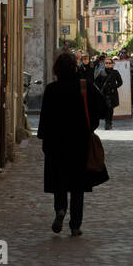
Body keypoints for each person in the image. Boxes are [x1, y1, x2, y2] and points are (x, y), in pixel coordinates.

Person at [38, 51, 109, 236]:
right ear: (74, 67)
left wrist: (44, 140)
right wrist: (90, 124)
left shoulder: (52, 89)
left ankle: (60, 209)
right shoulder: (85, 87)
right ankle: (75, 225)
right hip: (80, 142)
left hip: (56, 142)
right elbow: (103, 109)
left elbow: (44, 118)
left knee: (59, 180)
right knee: (77, 186)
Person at [100, 58, 122, 129]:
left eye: (109, 63)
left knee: (110, 108)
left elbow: (120, 82)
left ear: (112, 64)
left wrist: (114, 87)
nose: (108, 64)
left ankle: (109, 122)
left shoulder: (115, 72)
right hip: (104, 93)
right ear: (104, 64)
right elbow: (97, 82)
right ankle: (107, 122)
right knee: (106, 108)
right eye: (106, 63)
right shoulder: (101, 72)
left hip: (112, 93)